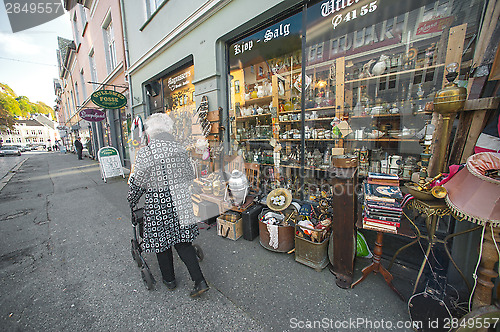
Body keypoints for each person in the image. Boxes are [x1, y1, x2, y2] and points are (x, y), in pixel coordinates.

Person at [127, 113, 209, 297]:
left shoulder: (147, 152)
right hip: (180, 200)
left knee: (161, 244)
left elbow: (138, 182)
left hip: (158, 204)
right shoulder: (180, 149)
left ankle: (170, 280)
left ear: (151, 132)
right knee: (183, 242)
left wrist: (131, 200)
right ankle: (199, 281)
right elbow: (190, 174)